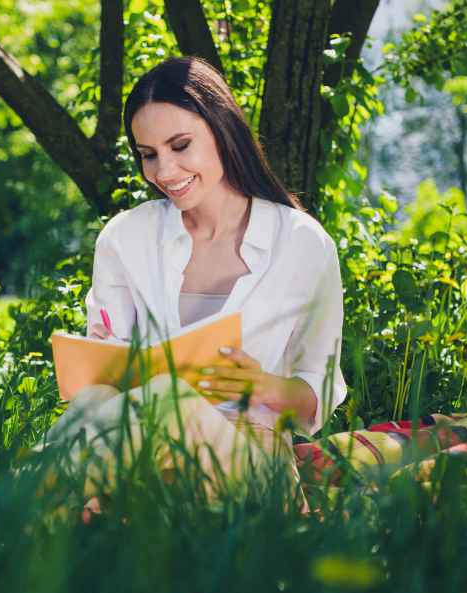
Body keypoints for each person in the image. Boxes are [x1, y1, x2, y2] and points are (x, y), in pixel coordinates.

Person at [41, 56, 347, 507]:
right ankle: (15, 506)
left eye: (180, 145)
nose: (164, 172)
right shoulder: (126, 238)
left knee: (168, 396)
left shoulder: (302, 244)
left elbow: (317, 393)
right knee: (95, 403)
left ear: (222, 129)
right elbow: (101, 383)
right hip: (138, 458)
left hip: (251, 463)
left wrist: (260, 385)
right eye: (149, 155)